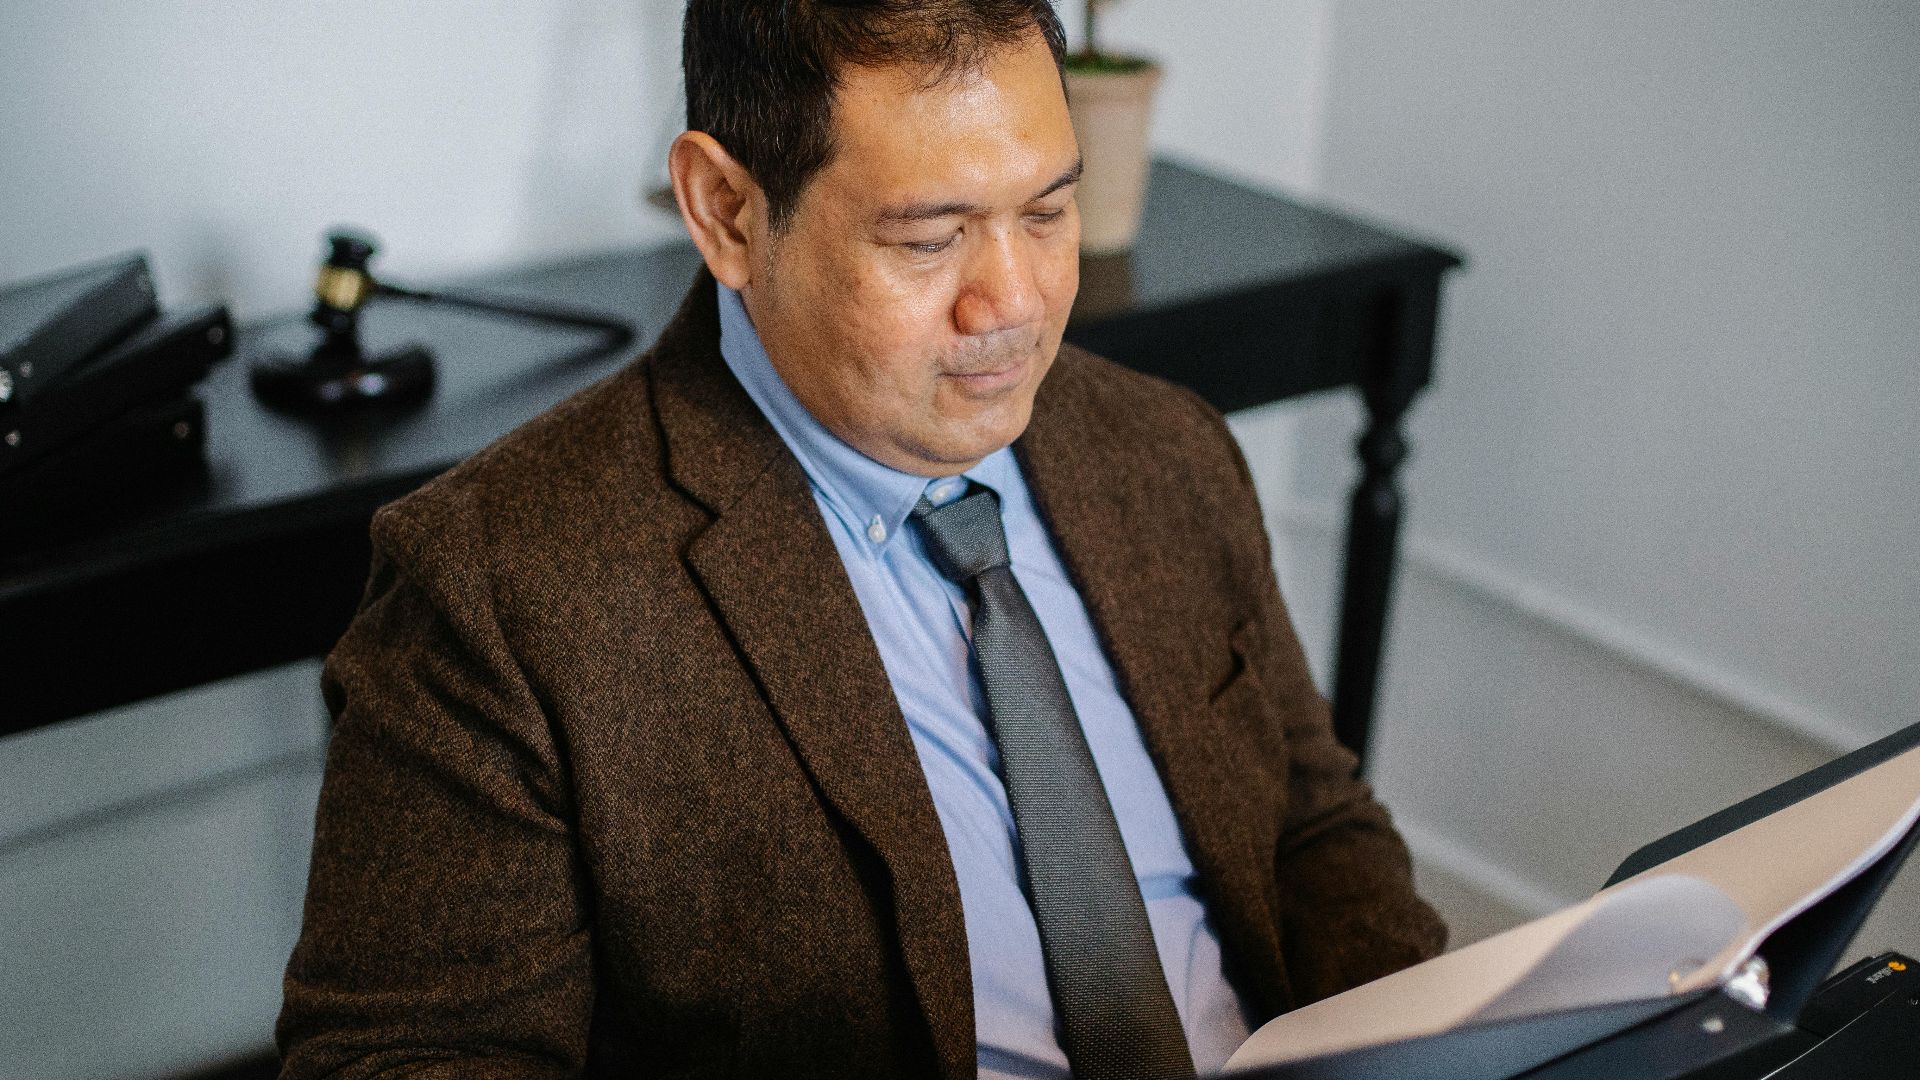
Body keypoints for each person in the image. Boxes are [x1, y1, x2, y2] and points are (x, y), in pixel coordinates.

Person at [274, 2, 1445, 1077]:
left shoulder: (1166, 449)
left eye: (1047, 211)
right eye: (930, 239)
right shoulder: (496, 589)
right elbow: (402, 1061)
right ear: (727, 212)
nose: (1016, 304)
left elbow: (1314, 828)